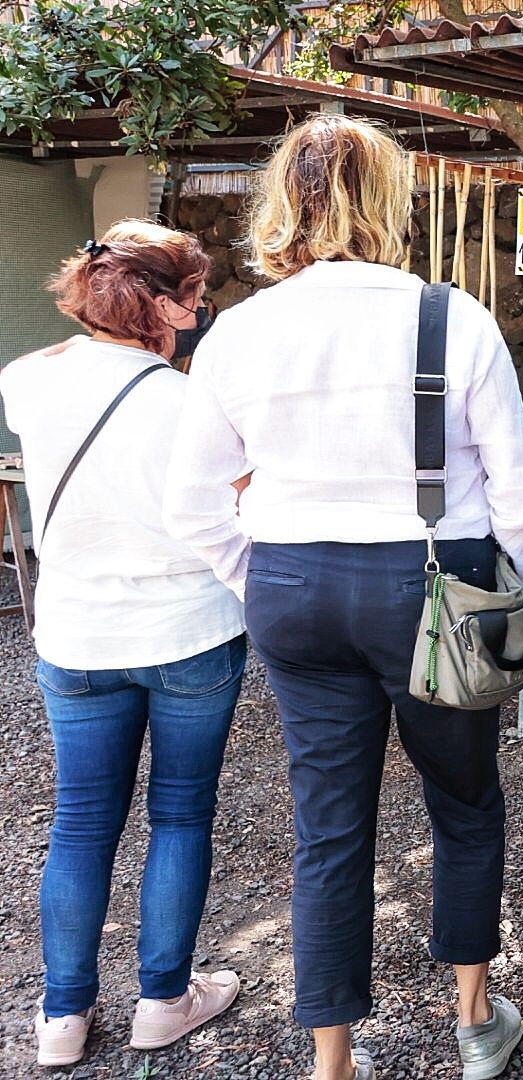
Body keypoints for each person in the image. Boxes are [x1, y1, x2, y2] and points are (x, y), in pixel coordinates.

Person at [163, 115, 523, 1080]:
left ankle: (333, 1063)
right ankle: (473, 1020)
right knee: (464, 801)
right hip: (433, 580)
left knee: (328, 826)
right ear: (388, 201)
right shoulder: (448, 315)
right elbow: (522, 496)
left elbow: (192, 502)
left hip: (293, 583)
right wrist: (509, 594)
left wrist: (261, 580)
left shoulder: (240, 331)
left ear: (280, 204)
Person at [0, 221, 247, 1068]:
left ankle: (61, 1018)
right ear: (163, 305)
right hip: (191, 631)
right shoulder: (190, 399)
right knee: (180, 813)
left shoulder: (24, 379)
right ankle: (163, 999)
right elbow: (235, 506)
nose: (202, 311)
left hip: (76, 632)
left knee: (78, 823)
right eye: (196, 297)